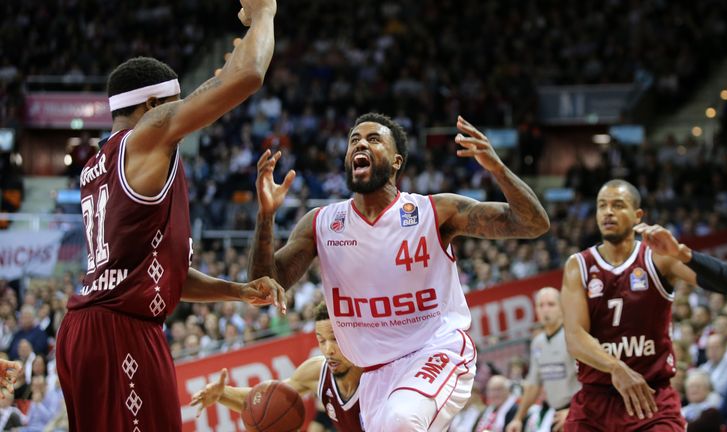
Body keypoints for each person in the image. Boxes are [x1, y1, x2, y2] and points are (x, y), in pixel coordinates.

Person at [54, 1, 286, 430]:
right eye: (176, 105)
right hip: (119, 331)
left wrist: (238, 291)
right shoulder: (145, 138)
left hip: (91, 328)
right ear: (152, 106)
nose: (184, 115)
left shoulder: (96, 166)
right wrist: (265, 13)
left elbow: (159, 275)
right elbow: (248, 75)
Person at [249, 113, 550, 431]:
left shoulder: (434, 212)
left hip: (436, 350)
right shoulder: (321, 224)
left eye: (373, 139)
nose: (360, 144)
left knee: (401, 419)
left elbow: (533, 223)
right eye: (354, 140)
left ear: (396, 162)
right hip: (374, 374)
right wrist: (265, 216)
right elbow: (262, 288)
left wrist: (498, 169)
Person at [560, 179, 727, 432]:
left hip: (651, 399)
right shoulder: (578, 265)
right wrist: (616, 367)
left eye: (618, 205)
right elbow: (575, 337)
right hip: (595, 402)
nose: (608, 212)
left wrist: (681, 252)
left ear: (638, 216)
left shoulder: (658, 257)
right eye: (602, 206)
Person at [190, 302, 364, 432]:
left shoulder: (374, 372)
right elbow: (265, 401)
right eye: (321, 340)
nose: (328, 349)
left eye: (335, 339)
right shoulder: (317, 372)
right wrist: (223, 394)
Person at [507, 287, 580, 432]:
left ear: (562, 308)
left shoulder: (573, 338)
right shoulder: (537, 343)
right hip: (556, 414)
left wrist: (576, 411)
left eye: (551, 304)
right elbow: (533, 385)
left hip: (578, 411)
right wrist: (518, 418)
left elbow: (590, 382)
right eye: (541, 305)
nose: (545, 309)